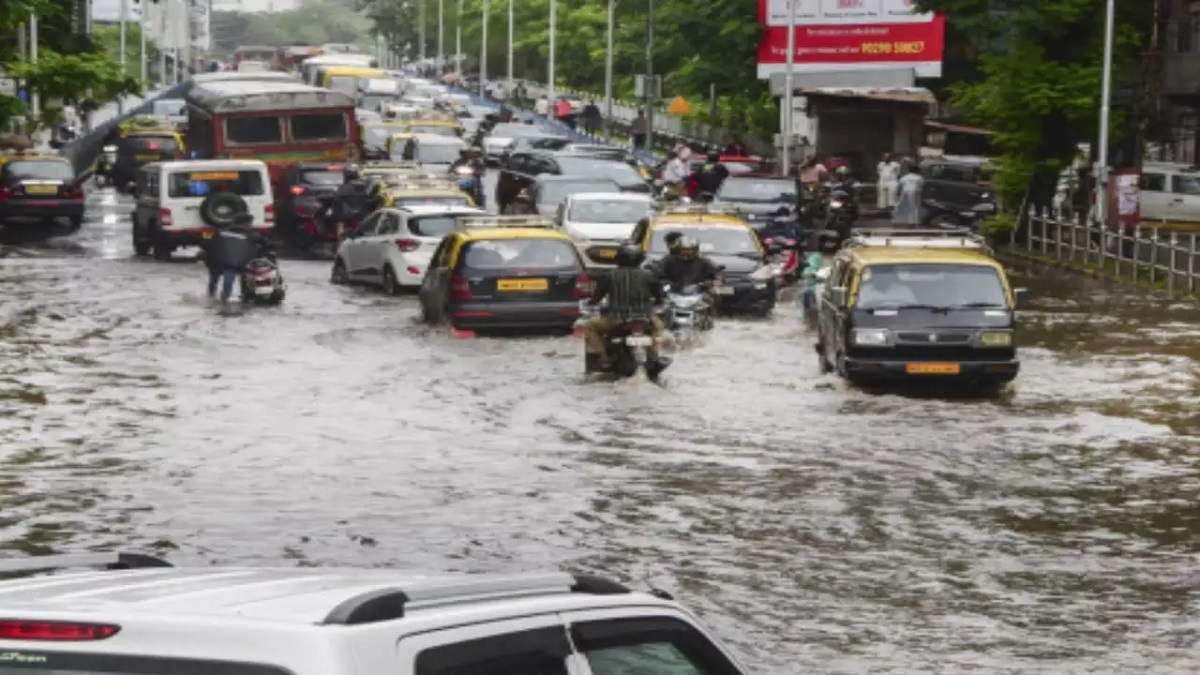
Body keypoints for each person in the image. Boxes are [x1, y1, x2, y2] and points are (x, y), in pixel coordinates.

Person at [583, 243, 667, 373]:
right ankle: (654, 354)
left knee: (590, 327)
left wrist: (590, 304)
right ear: (640, 259)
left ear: (619, 258)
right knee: (659, 328)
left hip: (616, 320)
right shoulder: (650, 276)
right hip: (645, 318)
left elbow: (597, 298)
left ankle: (604, 358)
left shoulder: (609, 276)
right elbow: (660, 298)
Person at [202, 213, 271, 304]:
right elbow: (266, 243)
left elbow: (205, 238)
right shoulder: (252, 234)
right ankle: (225, 301)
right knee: (229, 282)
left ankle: (210, 297)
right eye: (250, 223)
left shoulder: (220, 230)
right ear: (247, 223)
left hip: (216, 261)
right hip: (233, 263)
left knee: (214, 280)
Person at [330, 165, 370, 238]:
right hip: (361, 213)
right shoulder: (364, 185)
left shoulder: (346, 187)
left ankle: (340, 241)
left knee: (339, 223)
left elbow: (336, 197)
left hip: (346, 215)